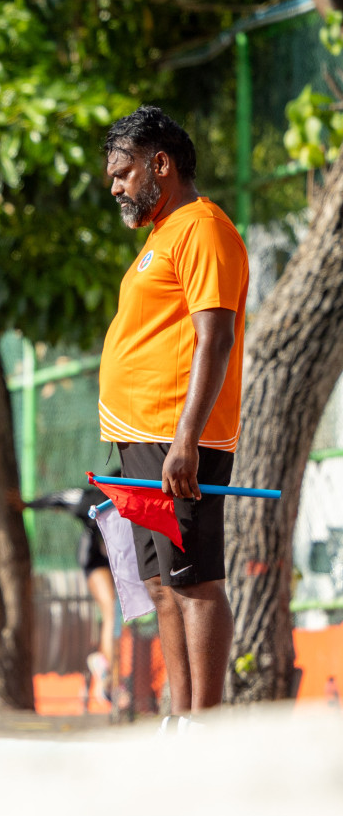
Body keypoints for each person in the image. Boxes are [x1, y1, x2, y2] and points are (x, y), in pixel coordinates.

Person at [99, 106, 247, 731]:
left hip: (175, 439)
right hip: (139, 441)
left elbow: (214, 338)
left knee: (194, 580)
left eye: (124, 172)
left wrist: (185, 440)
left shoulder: (202, 227)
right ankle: (178, 716)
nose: (116, 188)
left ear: (161, 164)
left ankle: (205, 727)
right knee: (160, 585)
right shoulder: (159, 237)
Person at [27, 483, 117, 704]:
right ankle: (108, 674)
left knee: (117, 616)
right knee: (111, 610)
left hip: (113, 560)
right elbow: (60, 496)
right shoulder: (93, 497)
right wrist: (27, 504)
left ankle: (106, 668)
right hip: (94, 560)